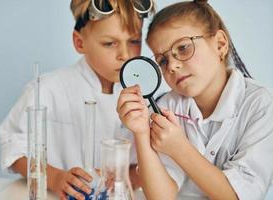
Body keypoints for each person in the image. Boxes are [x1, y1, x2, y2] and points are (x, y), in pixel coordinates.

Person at [0, 0, 155, 199]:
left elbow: (147, 164)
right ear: (79, 42)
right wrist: (54, 177)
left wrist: (118, 178)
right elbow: (12, 147)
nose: (124, 55)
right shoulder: (46, 89)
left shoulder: (142, 100)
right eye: (109, 43)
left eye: (133, 41)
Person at [117, 0, 273, 199]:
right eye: (162, 60)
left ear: (220, 44)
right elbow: (161, 197)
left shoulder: (262, 106)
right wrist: (140, 132)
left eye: (182, 48)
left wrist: (179, 148)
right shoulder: (167, 108)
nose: (172, 66)